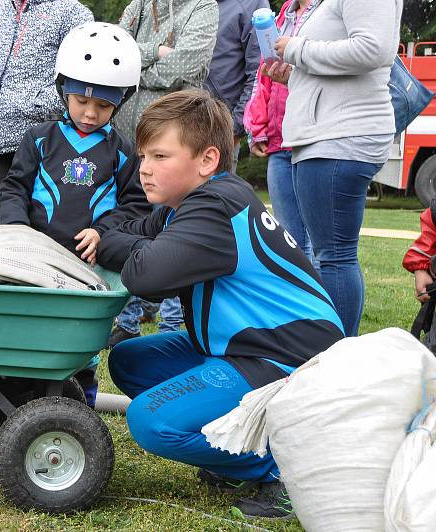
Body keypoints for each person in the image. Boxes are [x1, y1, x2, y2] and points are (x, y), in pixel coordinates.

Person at [97, 90, 344, 519]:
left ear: (207, 161)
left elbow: (144, 275)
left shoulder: (214, 206)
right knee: (128, 361)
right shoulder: (187, 202)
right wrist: (118, 239)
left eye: (160, 156)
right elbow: (128, 228)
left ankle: (285, 467)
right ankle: (232, 446)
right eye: (142, 156)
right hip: (237, 348)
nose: (144, 170)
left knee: (150, 421)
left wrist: (113, 242)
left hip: (286, 359)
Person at [0, 22, 151, 407]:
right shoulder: (38, 138)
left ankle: (77, 413)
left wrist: (104, 233)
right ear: (62, 90)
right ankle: (10, 414)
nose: (89, 112)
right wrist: (16, 229)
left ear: (120, 101)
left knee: (79, 343)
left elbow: (135, 206)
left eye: (103, 105)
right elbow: (14, 187)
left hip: (85, 268)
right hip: (31, 263)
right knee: (22, 337)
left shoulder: (122, 152)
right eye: (81, 101)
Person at [264, 0, 404, 336]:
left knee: (334, 256)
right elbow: (339, 64)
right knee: (332, 254)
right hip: (325, 135)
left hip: (341, 136)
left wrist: (297, 48)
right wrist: (294, 76)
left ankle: (336, 355)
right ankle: (331, 350)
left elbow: (374, 49)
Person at [108, 0, 219, 347]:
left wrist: (135, 73)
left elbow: (188, 63)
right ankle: (125, 319)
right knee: (129, 225)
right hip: (127, 139)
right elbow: (114, 50)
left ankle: (174, 324)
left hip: (177, 140)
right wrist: (156, 50)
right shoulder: (138, 5)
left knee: (176, 231)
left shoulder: (204, 6)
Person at [0, 0, 93, 230]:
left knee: (33, 232)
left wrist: (35, 107)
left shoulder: (72, 12)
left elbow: (79, 75)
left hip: (39, 145)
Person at [243, 0, 319, 263]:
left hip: (314, 139)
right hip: (279, 142)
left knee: (322, 242)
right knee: (289, 240)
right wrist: (257, 129)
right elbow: (263, 77)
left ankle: (326, 302)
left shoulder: (327, 11)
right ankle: (300, 301)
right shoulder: (282, 16)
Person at [204, 0, 267, 173]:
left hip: (218, 129)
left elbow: (261, 72)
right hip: (176, 123)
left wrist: (234, 128)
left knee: (211, 197)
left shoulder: (252, 4)